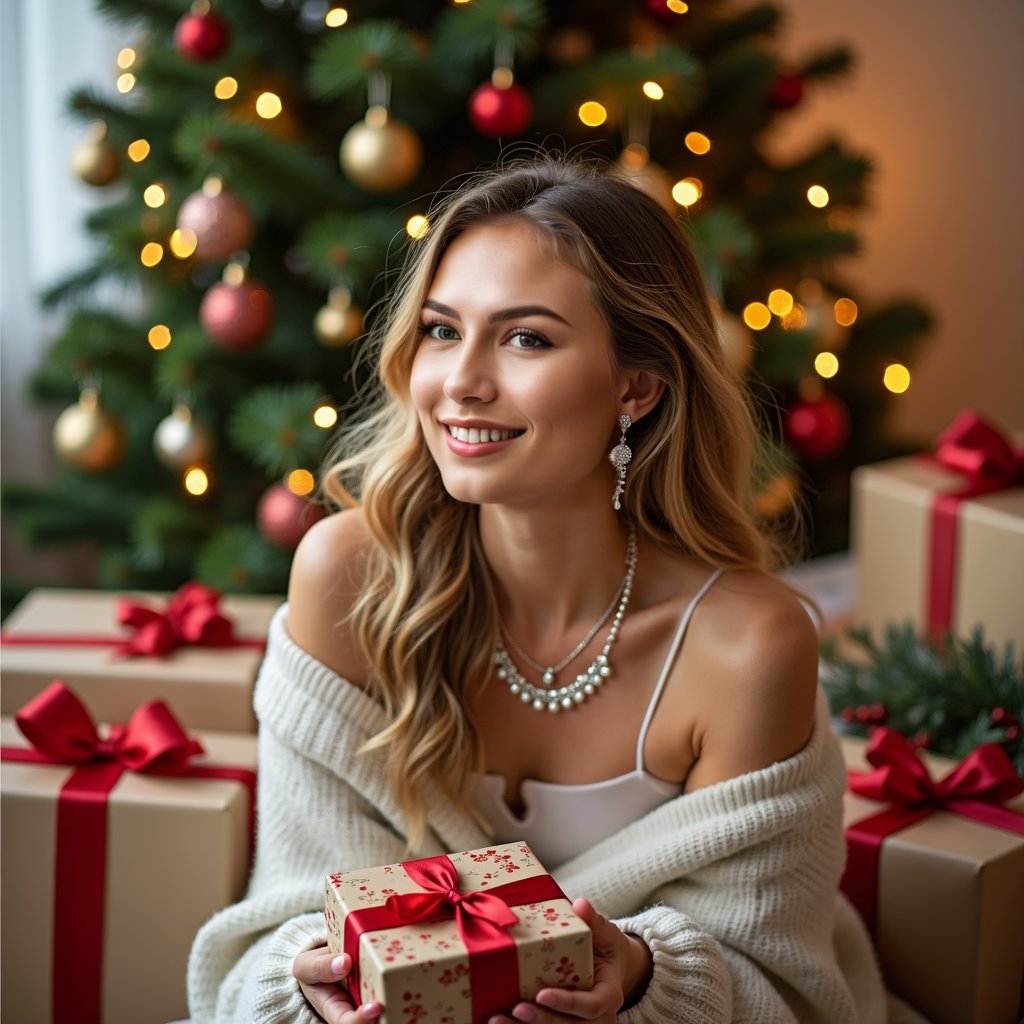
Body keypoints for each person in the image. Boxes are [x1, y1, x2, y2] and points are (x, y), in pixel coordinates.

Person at [187, 155, 900, 1024]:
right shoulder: (348, 578)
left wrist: (643, 979)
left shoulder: (748, 646)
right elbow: (287, 911)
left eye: (525, 338)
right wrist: (314, 986)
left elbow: (775, 978)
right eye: (442, 330)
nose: (460, 382)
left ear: (637, 386)